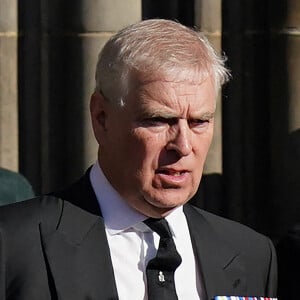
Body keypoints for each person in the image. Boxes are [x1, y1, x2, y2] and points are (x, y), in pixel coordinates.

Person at [0, 19, 277, 300]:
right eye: (158, 120)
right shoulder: (13, 244)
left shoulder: (251, 254)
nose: (183, 145)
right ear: (101, 118)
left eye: (199, 122)